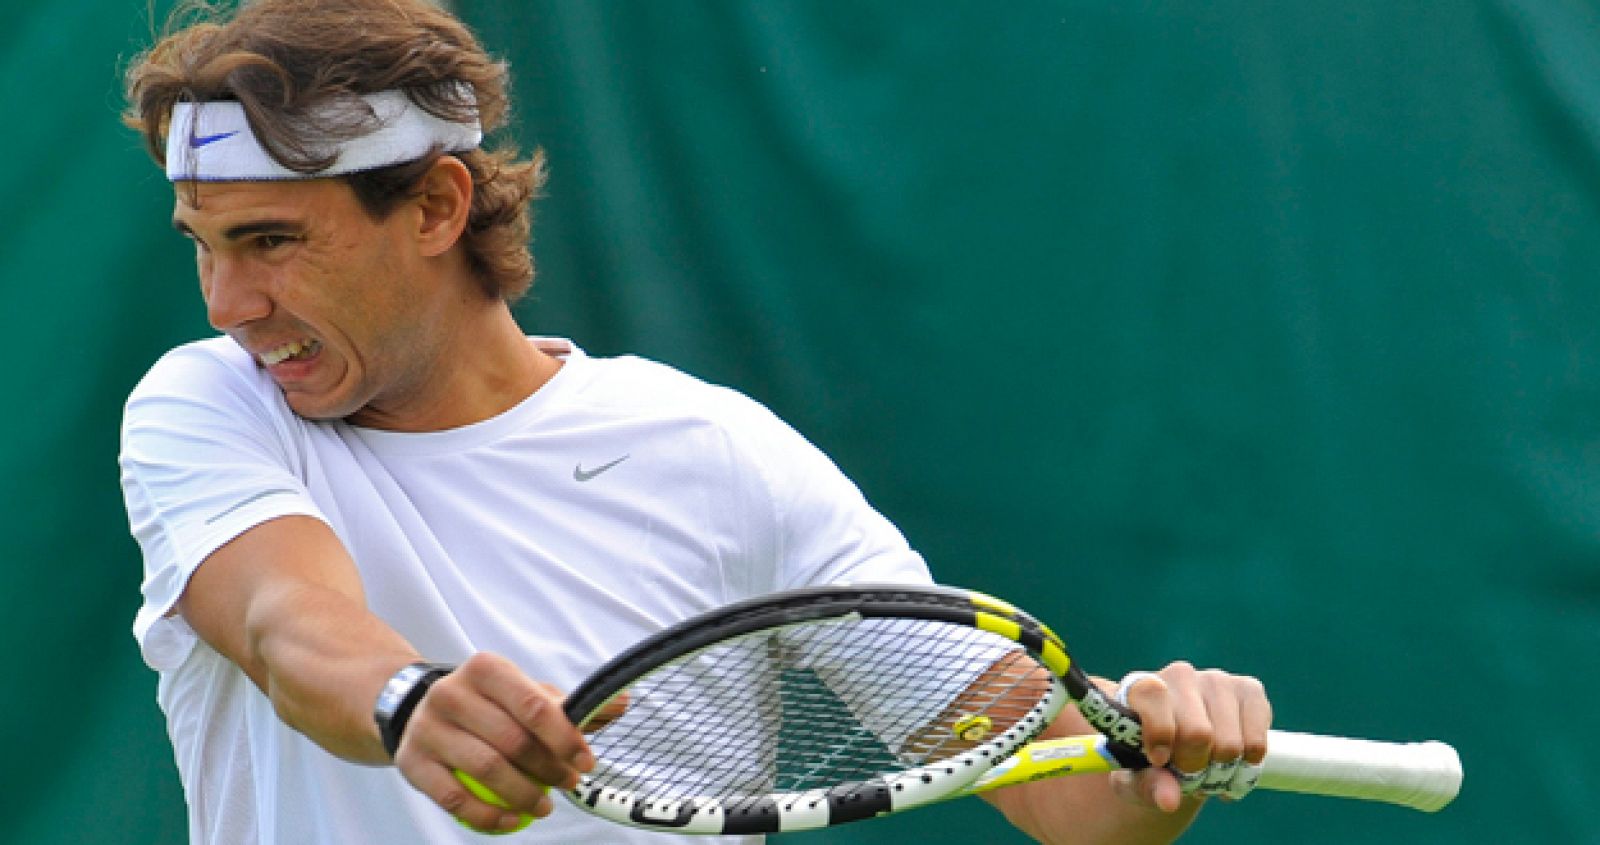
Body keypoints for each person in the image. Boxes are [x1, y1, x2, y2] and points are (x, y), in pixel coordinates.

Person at [119, 1, 1271, 842]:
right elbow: (284, 619)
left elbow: (1066, 789)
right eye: (206, 247)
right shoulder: (207, 401)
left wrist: (1165, 746)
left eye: (272, 241)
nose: (232, 305)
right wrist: (405, 697)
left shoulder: (720, 457)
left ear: (434, 205)